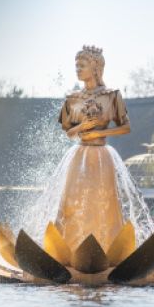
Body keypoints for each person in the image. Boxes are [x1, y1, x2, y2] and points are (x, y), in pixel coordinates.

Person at [55, 45, 131, 251]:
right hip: (79, 155)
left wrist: (99, 133)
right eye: (76, 65)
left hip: (101, 155)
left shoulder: (112, 96)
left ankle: (108, 248)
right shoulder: (72, 99)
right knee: (71, 200)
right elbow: (69, 133)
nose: (78, 69)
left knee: (105, 201)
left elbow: (126, 127)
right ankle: (67, 248)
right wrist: (83, 127)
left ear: (96, 67)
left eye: (82, 65)